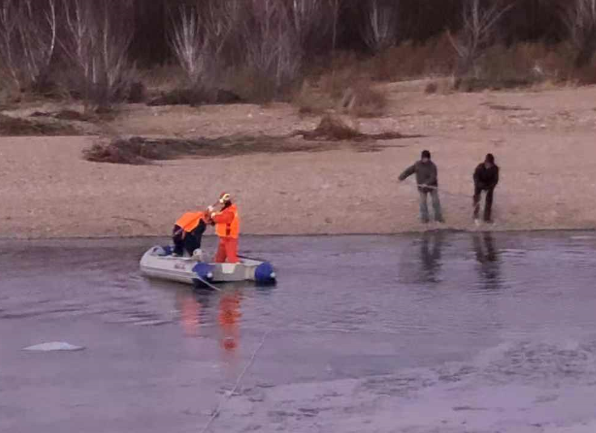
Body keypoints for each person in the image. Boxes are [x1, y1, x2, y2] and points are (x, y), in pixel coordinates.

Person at [398, 150, 444, 223]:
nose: (424, 160)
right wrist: (401, 178)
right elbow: (408, 171)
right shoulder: (417, 164)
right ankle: (425, 219)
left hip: (432, 187)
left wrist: (426, 183)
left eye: (426, 158)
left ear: (429, 158)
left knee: (435, 202)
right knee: (423, 203)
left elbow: (433, 177)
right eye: (423, 158)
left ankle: (439, 218)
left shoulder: (433, 166)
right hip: (422, 188)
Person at [209, 192, 240, 263]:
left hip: (229, 237)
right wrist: (211, 213)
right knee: (220, 257)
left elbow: (221, 219)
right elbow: (217, 218)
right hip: (223, 237)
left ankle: (236, 270)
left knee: (231, 257)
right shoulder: (225, 210)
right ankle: (217, 266)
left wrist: (212, 214)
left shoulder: (231, 210)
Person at [473, 153, 499, 223]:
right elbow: (475, 177)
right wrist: (480, 185)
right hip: (479, 184)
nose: (489, 165)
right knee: (477, 198)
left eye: (490, 164)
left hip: (489, 185)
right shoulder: (479, 167)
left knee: (489, 200)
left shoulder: (495, 168)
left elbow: (495, 180)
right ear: (485, 162)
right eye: (488, 163)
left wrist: (490, 187)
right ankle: (476, 214)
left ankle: (486, 218)